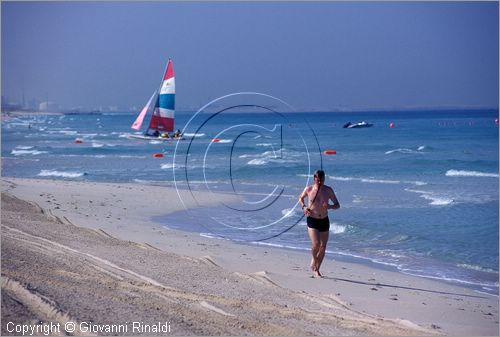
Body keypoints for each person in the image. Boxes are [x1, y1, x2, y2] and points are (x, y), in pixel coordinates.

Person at [298, 169, 340, 278]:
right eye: (318, 180)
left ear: (324, 179)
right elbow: (300, 198)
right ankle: (315, 259)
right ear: (314, 179)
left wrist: (330, 206)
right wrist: (304, 207)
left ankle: (317, 269)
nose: (320, 183)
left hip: (324, 220)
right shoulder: (309, 189)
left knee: (323, 246)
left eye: (322, 180)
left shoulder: (328, 190)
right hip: (312, 220)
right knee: (316, 244)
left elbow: (337, 205)